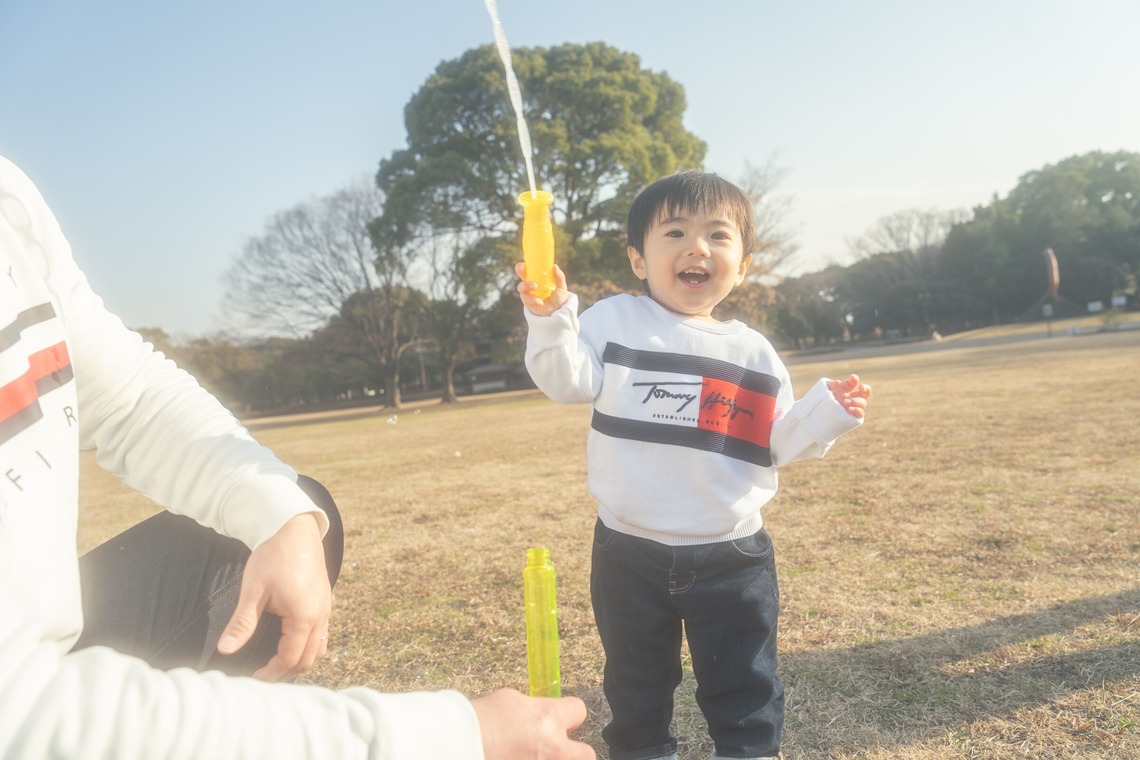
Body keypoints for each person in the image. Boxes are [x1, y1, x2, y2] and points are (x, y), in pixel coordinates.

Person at [0, 154, 593, 759]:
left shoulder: (9, 196)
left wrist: (278, 513)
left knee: (284, 524)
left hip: (36, 644)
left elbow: (129, 394)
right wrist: (460, 739)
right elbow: (21, 714)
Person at [516, 170, 872, 760]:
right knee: (635, 686)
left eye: (717, 235)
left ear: (745, 264)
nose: (696, 247)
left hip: (731, 555)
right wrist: (551, 317)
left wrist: (825, 413)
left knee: (744, 686)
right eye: (674, 232)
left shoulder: (753, 353)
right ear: (638, 259)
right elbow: (564, 380)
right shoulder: (613, 322)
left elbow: (778, 441)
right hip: (627, 550)